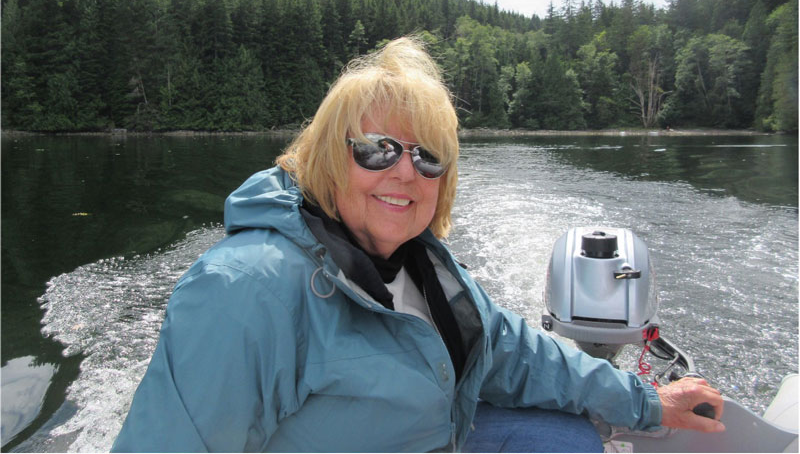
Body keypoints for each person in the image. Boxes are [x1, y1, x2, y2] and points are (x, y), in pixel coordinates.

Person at [112, 37, 724, 453]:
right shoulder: (245, 291)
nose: (405, 172)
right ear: (328, 158)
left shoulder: (425, 266)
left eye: (428, 157)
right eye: (377, 148)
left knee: (568, 441)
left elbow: (517, 353)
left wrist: (646, 402)